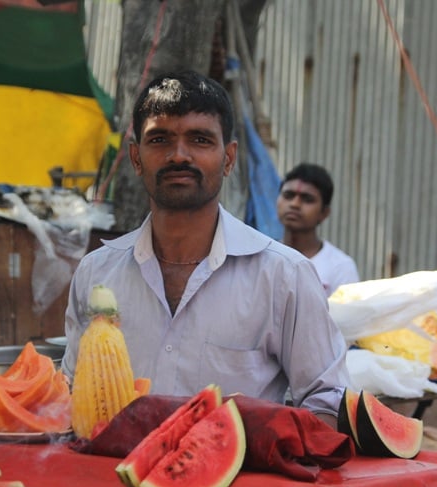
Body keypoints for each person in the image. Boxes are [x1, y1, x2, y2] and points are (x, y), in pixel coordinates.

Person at [62, 70, 351, 428]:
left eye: (200, 140)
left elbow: (327, 401)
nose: (178, 155)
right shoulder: (96, 273)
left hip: (242, 483)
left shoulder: (283, 276)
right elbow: (74, 396)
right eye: (160, 139)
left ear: (228, 158)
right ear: (136, 158)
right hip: (110, 478)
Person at [276, 163, 359, 296]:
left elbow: (345, 315)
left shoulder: (341, 267)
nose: (294, 204)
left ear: (324, 213)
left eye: (307, 199)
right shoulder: (263, 258)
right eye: (288, 195)